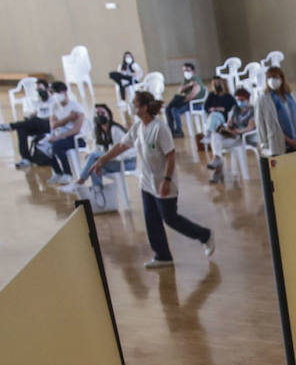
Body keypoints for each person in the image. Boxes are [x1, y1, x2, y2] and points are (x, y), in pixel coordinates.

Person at [89, 91, 214, 269]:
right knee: (151, 220)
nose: (132, 106)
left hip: (163, 181)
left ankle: (205, 235)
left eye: (135, 103)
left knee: (170, 218)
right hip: (146, 182)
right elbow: (121, 145)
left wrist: (167, 179)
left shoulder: (160, 128)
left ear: (145, 107)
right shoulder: (138, 127)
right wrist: (102, 159)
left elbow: (171, 155)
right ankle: (162, 255)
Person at [68, 103, 134, 193]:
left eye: (102, 113)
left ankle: (80, 181)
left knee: (94, 157)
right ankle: (98, 192)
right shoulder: (99, 132)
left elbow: (129, 151)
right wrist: (100, 157)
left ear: (109, 115)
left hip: (126, 163)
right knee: (93, 167)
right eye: (97, 114)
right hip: (111, 162)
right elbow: (97, 150)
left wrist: (108, 157)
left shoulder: (116, 130)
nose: (100, 116)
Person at [31, 81, 85, 185]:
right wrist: (69, 118)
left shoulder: (76, 107)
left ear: (64, 92)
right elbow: (53, 125)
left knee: (57, 146)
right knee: (43, 145)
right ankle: (58, 173)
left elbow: (76, 129)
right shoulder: (54, 106)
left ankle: (68, 174)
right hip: (59, 135)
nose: (54, 95)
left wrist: (60, 135)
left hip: (74, 138)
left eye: (56, 92)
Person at [0, 79, 52, 169]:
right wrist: (30, 116)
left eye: (41, 89)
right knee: (22, 129)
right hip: (39, 125)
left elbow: (55, 116)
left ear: (48, 89)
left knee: (35, 121)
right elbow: (37, 112)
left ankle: (11, 126)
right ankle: (26, 158)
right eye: (38, 90)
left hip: (52, 126)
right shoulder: (40, 101)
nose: (40, 92)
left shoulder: (55, 100)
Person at [206, 88, 256, 183]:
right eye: (237, 99)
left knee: (216, 145)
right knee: (215, 135)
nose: (239, 102)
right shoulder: (235, 109)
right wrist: (228, 128)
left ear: (247, 99)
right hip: (231, 135)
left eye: (241, 100)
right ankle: (217, 159)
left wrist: (238, 131)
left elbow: (250, 127)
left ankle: (218, 169)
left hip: (241, 137)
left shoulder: (252, 110)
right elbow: (229, 123)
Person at [255, 66, 296, 156]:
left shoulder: (290, 96)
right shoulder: (263, 99)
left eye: (275, 77)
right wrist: (290, 142)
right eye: (269, 77)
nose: (272, 80)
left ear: (281, 78)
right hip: (279, 143)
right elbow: (260, 124)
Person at [165, 62, 206, 137]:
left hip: (195, 104)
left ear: (193, 71)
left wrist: (182, 102)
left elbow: (193, 94)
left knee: (174, 110)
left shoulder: (196, 79)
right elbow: (180, 90)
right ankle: (172, 131)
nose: (186, 72)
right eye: (184, 71)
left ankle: (179, 131)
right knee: (168, 108)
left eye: (188, 70)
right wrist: (189, 85)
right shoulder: (187, 80)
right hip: (188, 102)